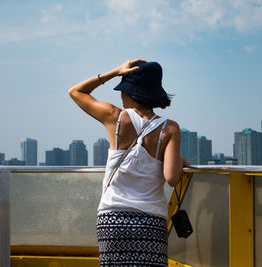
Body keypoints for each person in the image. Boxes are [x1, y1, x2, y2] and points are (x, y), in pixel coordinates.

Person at [69, 59, 185, 266]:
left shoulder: (115, 117)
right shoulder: (170, 128)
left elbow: (76, 92)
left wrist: (115, 72)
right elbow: (172, 178)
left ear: (130, 92)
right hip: (150, 221)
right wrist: (174, 158)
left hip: (112, 219)